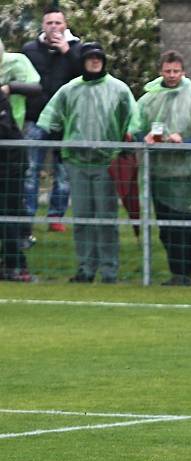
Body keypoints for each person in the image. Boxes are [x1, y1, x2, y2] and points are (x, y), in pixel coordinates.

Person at [36, 42, 136, 284]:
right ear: (82, 61)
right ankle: (85, 268)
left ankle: (109, 271)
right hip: (77, 162)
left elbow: (134, 120)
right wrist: (55, 143)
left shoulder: (119, 90)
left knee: (106, 219)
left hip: (106, 163)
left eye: (98, 58)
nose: (94, 62)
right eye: (90, 58)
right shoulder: (69, 90)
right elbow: (50, 119)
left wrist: (127, 141)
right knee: (82, 218)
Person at [135, 50, 191, 286]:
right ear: (161, 71)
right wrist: (143, 138)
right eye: (168, 71)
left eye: (176, 71)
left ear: (183, 71)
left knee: (183, 227)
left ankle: (190, 272)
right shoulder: (150, 97)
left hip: (186, 173)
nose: (172, 75)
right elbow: (134, 127)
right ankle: (177, 273)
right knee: (165, 228)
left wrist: (185, 142)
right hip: (159, 172)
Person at [22, 5, 82, 238]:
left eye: (58, 23)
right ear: (43, 26)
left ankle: (56, 216)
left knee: (63, 170)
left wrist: (67, 51)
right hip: (35, 118)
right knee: (30, 169)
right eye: (50, 23)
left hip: (65, 119)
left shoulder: (77, 49)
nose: (54, 27)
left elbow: (84, 76)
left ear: (65, 25)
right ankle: (27, 214)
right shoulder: (30, 49)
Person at [0, 87, 32, 282]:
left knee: (7, 214)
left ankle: (16, 266)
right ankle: (14, 264)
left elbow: (3, 130)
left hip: (11, 165)